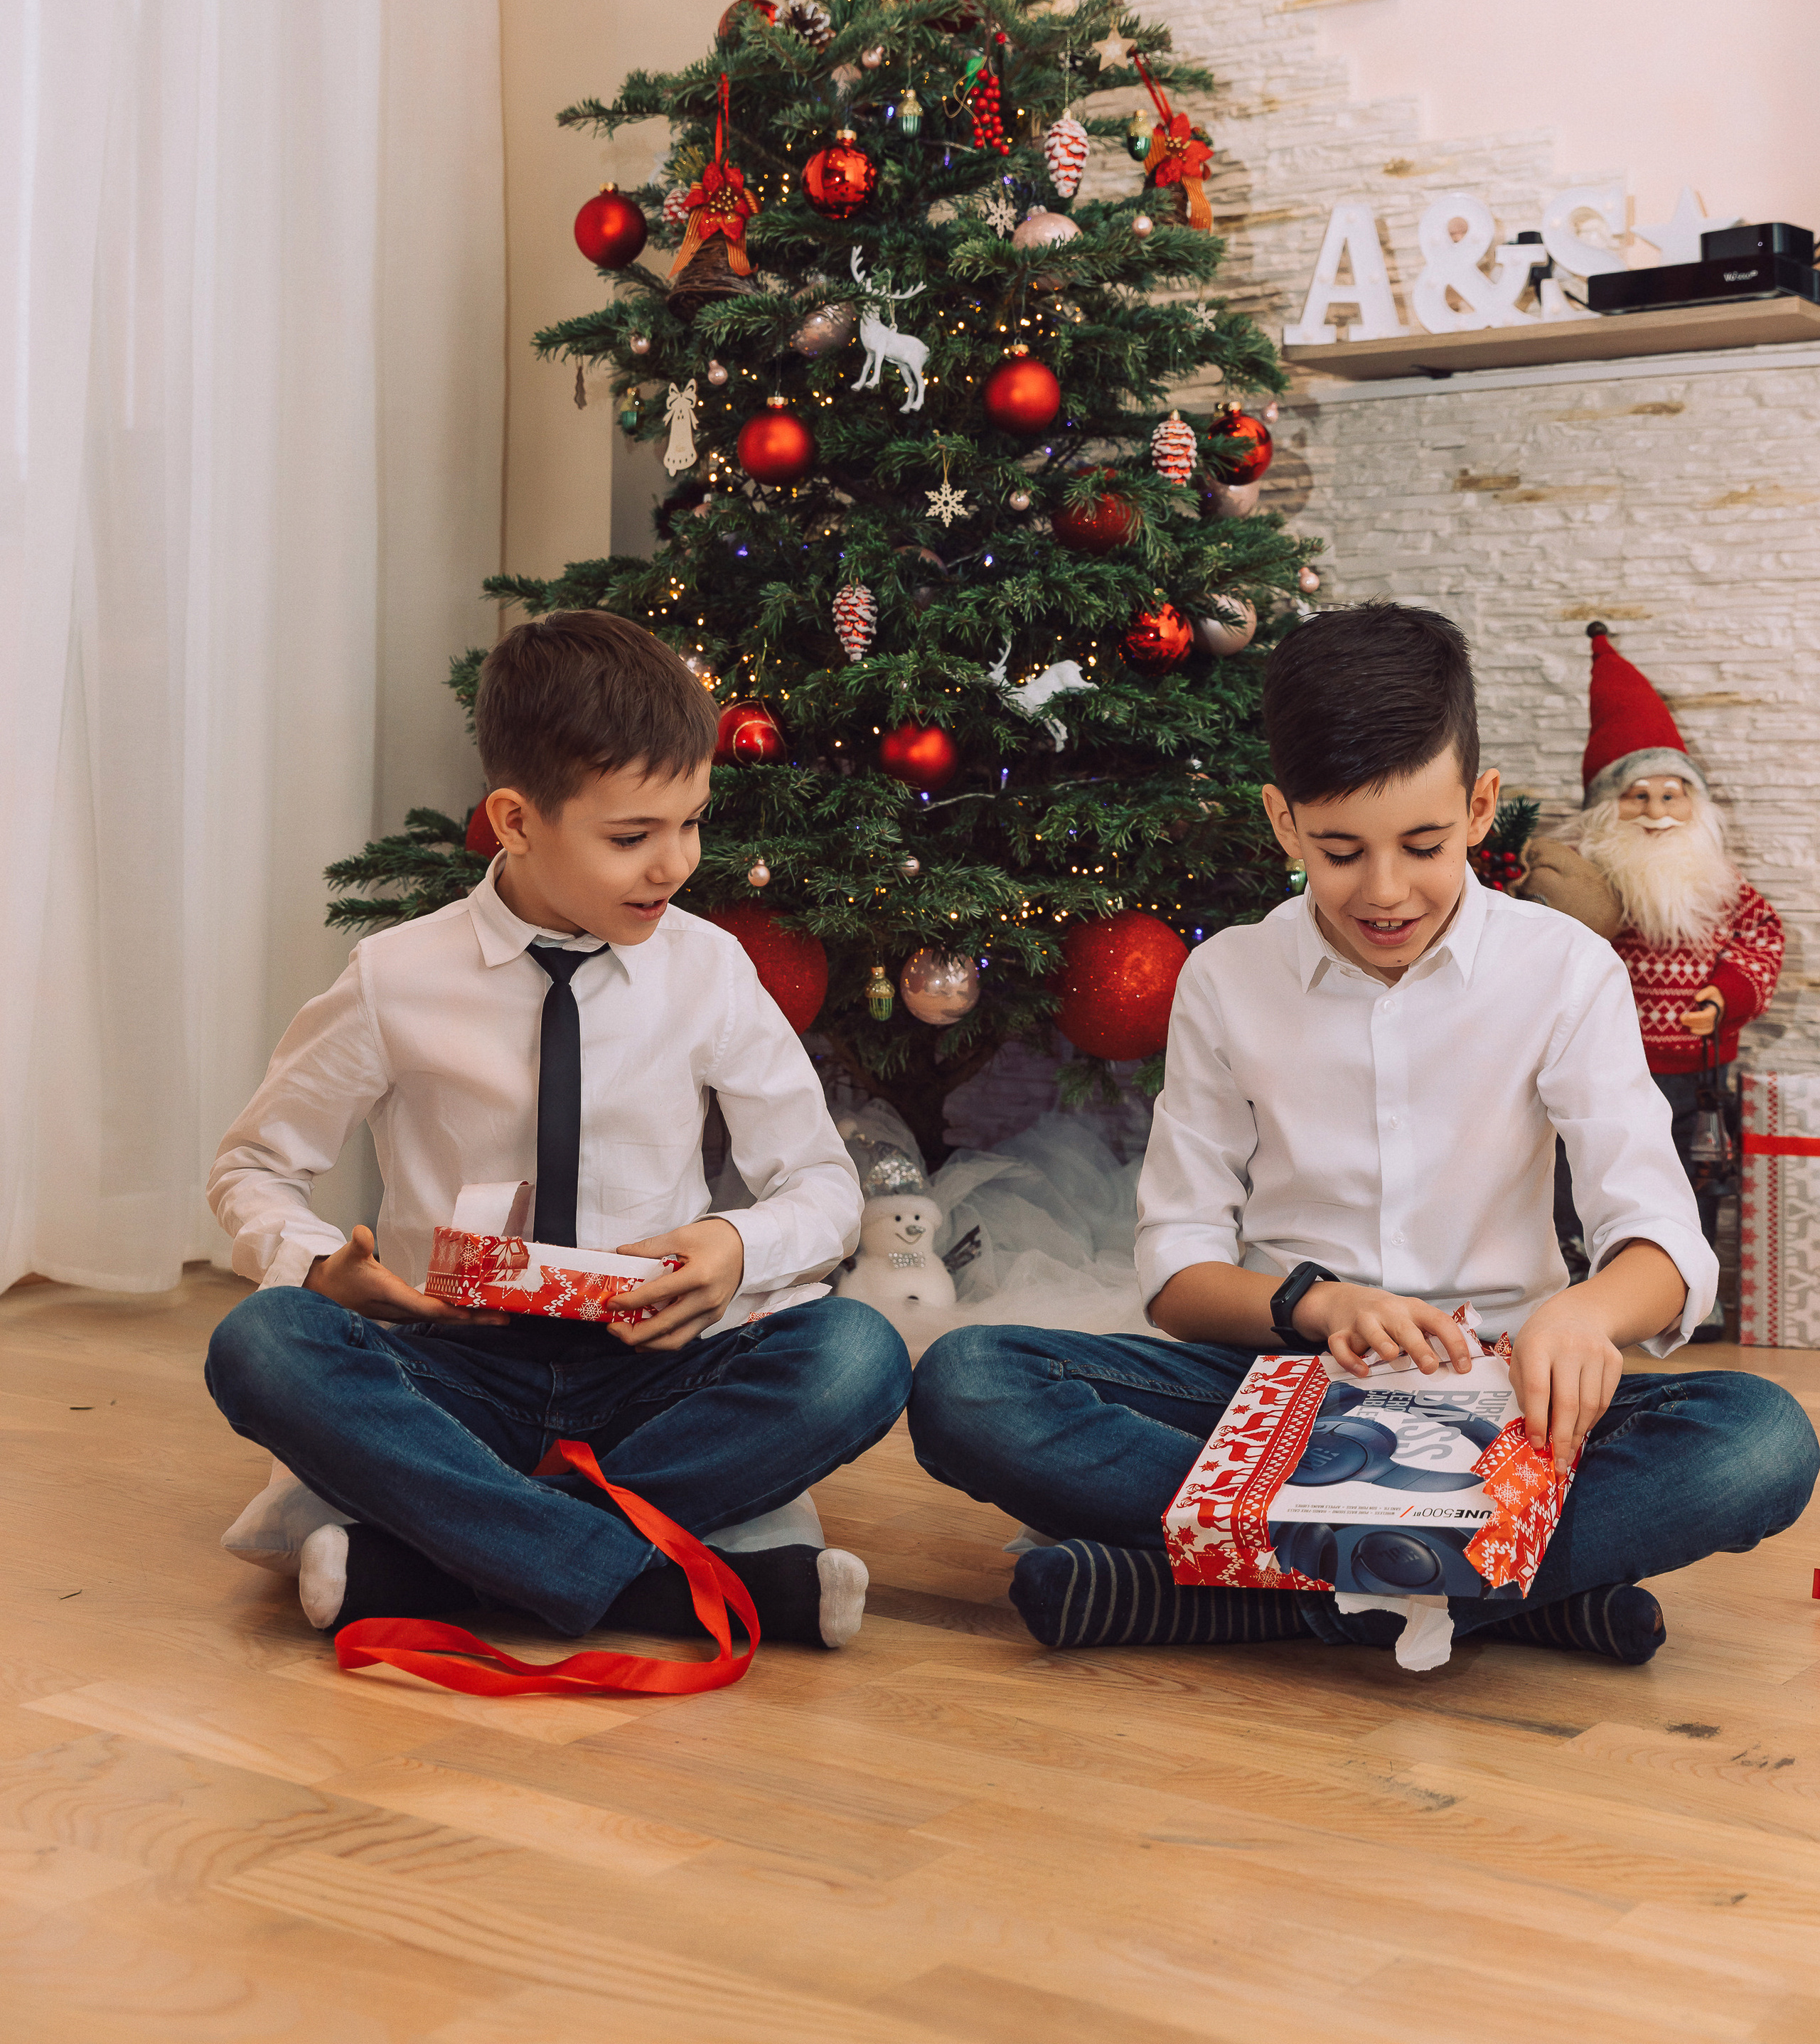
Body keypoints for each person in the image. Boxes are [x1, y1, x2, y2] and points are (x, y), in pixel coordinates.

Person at [908, 603, 1816, 1663]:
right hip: (1277, 1393)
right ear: (1284, 822)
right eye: (1340, 851)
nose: (1385, 893)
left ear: (1480, 808)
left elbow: (1661, 1239)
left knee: (1764, 1440)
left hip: (1514, 1392)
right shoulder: (1227, 979)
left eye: (1422, 845)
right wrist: (1313, 1304)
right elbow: (1176, 1271)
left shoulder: (1564, 970)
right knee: (967, 1384)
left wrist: (1582, 1316)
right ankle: (1507, 1592)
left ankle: (1232, 1598)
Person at [205, 611, 910, 1652]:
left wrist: (734, 1246)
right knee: (262, 1342)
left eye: (693, 822)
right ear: (517, 820)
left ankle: (454, 1564)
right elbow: (254, 1168)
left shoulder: (710, 970)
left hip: (655, 1368)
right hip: (454, 1371)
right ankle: (646, 1584)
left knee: (858, 1353)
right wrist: (317, 1270)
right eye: (632, 837)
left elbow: (822, 1185)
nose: (675, 863)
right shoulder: (397, 978)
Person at [1552, 625, 1782, 1322]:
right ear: (1606, 808)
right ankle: (1582, 1277)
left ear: (1695, 806)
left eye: (1669, 797)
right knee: (1588, 1167)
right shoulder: (1594, 880)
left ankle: (1692, 1289)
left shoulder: (1718, 882)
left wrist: (1728, 993)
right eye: (1636, 798)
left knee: (1693, 1174)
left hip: (1695, 1069)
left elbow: (1760, 935)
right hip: (1608, 1062)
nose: (1654, 814)